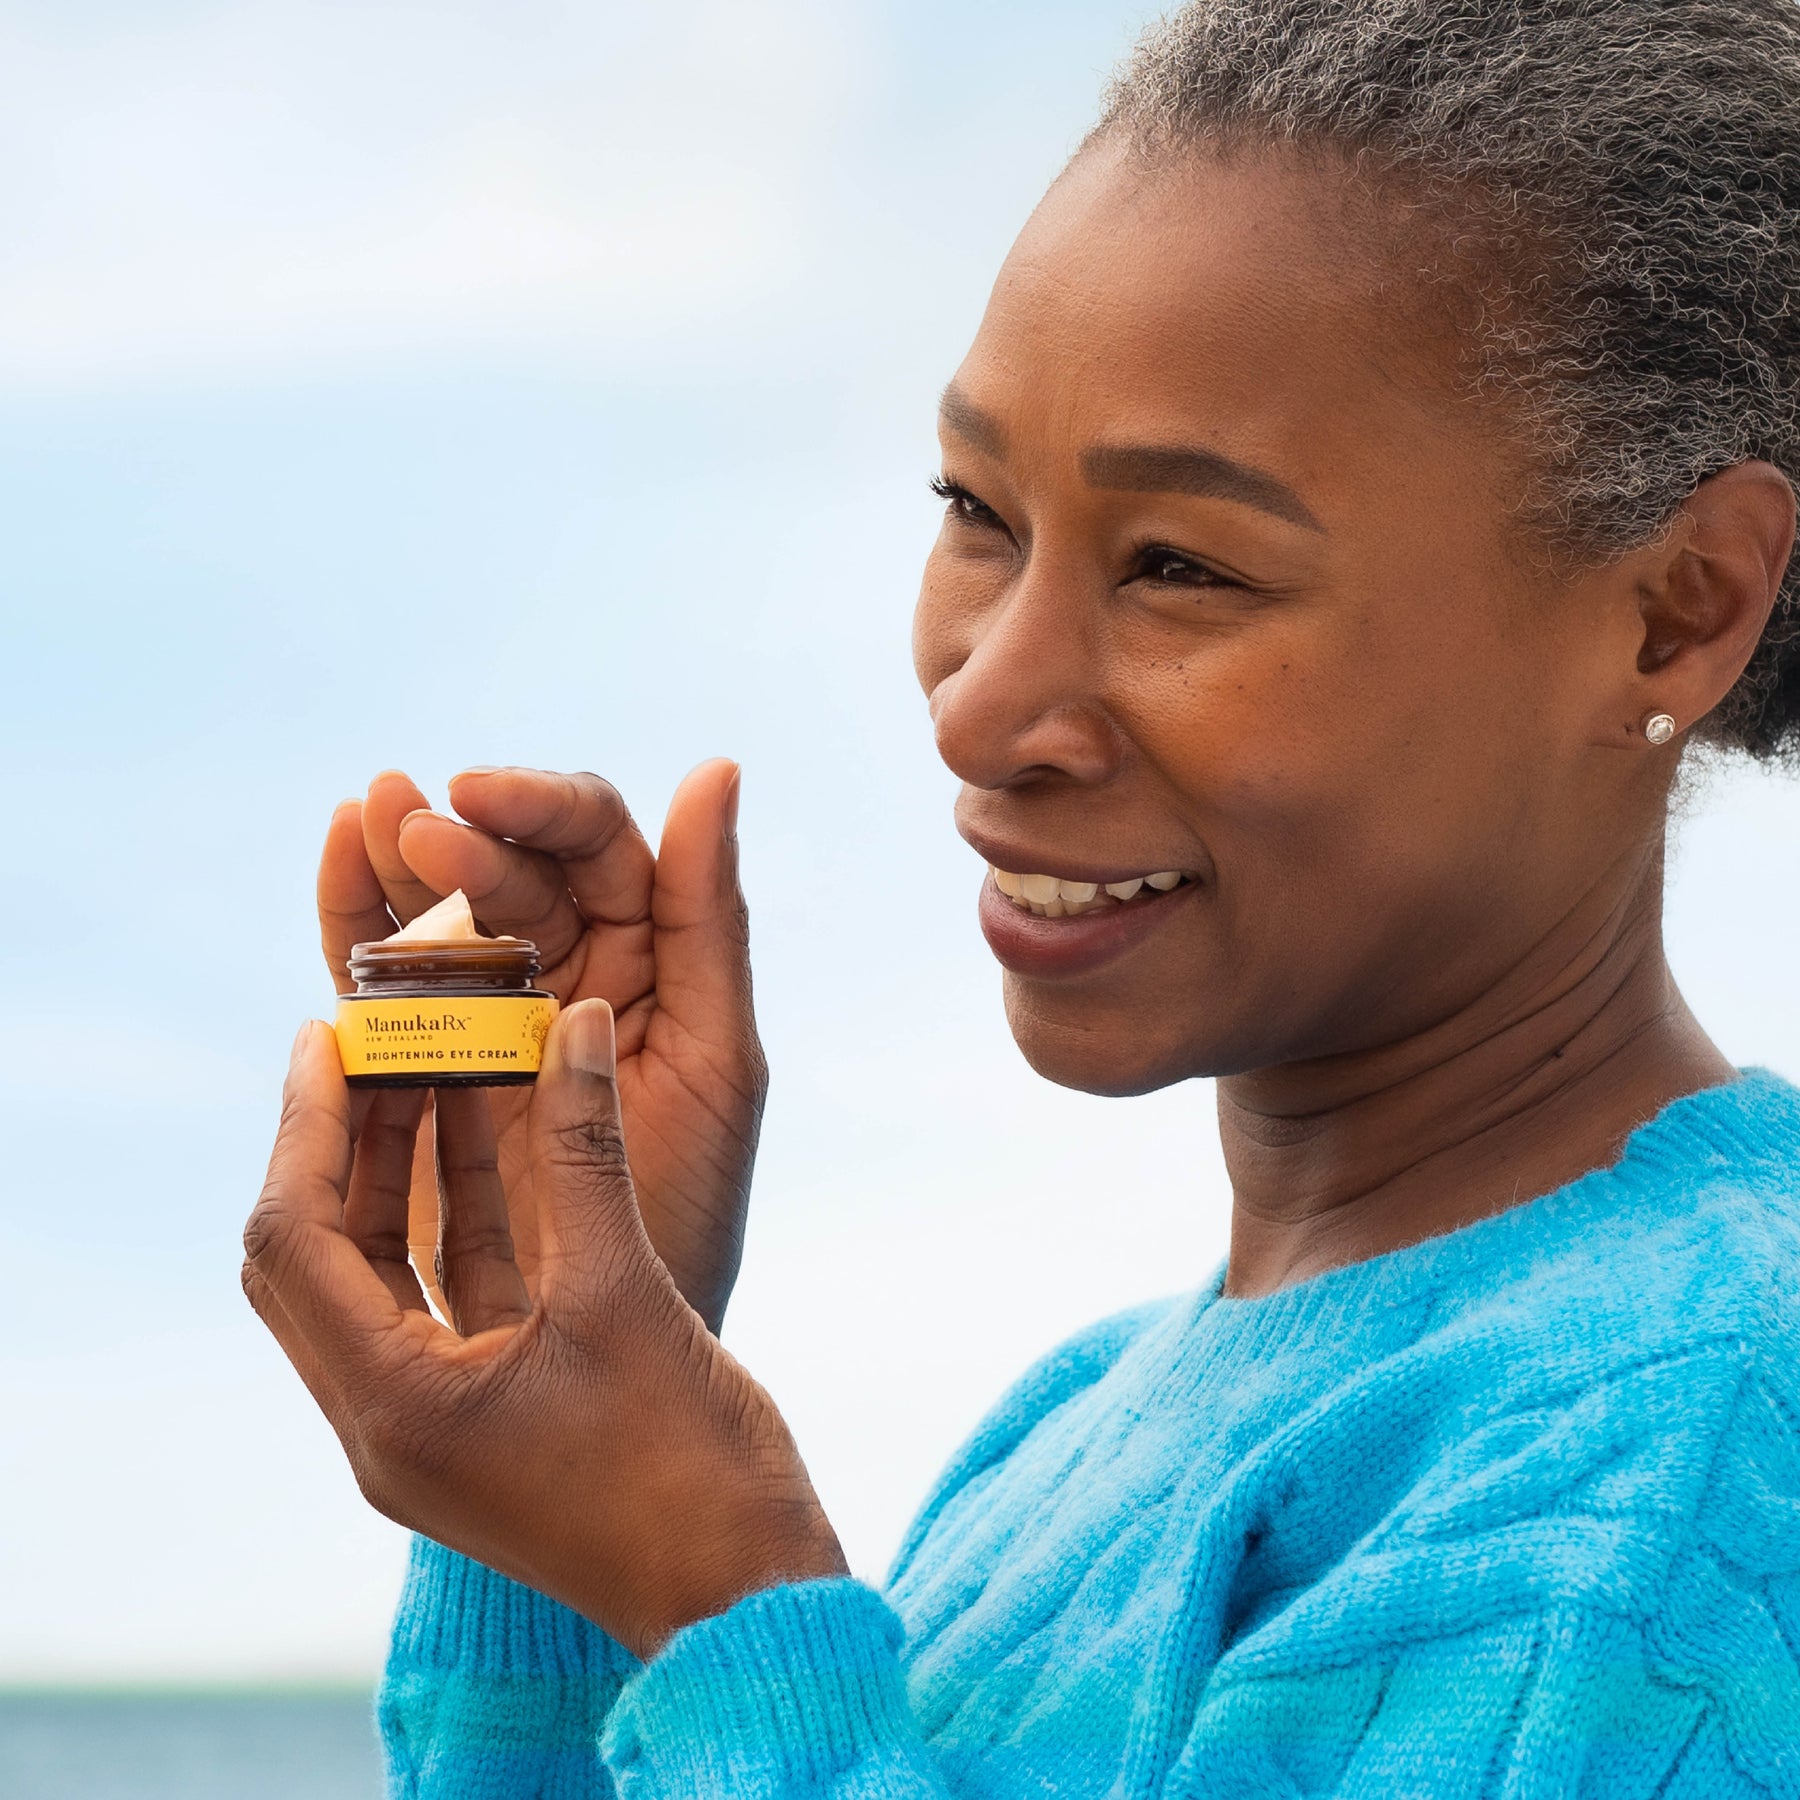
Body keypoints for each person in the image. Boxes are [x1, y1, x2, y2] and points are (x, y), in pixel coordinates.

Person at [243, 2, 1800, 1793]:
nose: (975, 698)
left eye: (1180, 566)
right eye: (976, 508)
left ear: (1674, 608)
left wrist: (715, 1595)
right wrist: (555, 1433)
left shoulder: (1693, 1447)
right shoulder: (1059, 1440)